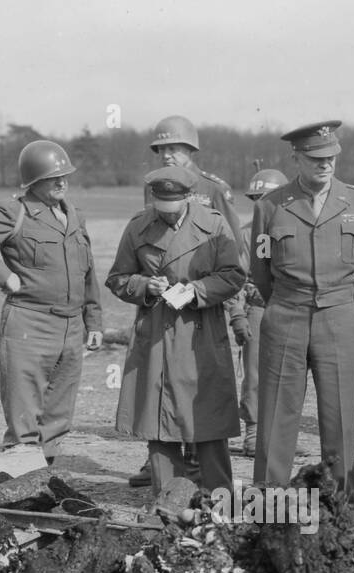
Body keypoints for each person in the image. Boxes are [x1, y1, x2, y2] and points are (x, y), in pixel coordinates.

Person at [0, 141, 102, 465]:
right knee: (24, 414)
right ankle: (18, 482)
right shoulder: (13, 212)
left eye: (65, 176)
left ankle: (42, 479)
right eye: (53, 178)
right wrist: (2, 276)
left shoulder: (75, 215)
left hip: (71, 327)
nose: (62, 182)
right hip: (29, 324)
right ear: (33, 181)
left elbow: (87, 272)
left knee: (59, 413)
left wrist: (94, 321)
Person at [250, 120, 354, 503]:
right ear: (297, 158)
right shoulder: (271, 206)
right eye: (316, 158)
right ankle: (269, 505)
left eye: (331, 157)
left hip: (339, 317)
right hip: (286, 312)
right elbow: (261, 269)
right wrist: (289, 300)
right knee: (276, 417)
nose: (325, 165)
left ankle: (340, 507)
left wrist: (338, 304)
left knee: (339, 417)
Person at [106, 167, 244, 500]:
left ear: (188, 198)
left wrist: (194, 291)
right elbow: (117, 278)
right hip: (156, 337)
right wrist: (144, 286)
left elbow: (233, 275)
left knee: (207, 422)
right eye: (161, 207)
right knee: (160, 425)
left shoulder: (213, 224)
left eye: (174, 206)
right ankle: (168, 502)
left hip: (201, 334)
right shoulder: (139, 226)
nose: (167, 214)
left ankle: (217, 501)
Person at [130, 115, 241, 487]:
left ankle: (207, 481)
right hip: (160, 318)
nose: (167, 155)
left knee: (204, 400)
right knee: (159, 403)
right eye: (161, 149)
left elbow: (231, 258)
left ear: (190, 150)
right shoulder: (153, 189)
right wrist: (147, 285)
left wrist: (205, 296)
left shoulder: (211, 191)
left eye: (174, 148)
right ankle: (165, 477)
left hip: (200, 313)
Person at [234, 168, 288, 456]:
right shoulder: (245, 234)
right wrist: (238, 316)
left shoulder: (293, 230)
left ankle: (281, 433)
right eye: (255, 198)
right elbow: (235, 280)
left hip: (290, 308)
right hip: (257, 307)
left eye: (265, 197)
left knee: (288, 372)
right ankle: (254, 433)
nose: (260, 203)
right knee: (254, 374)